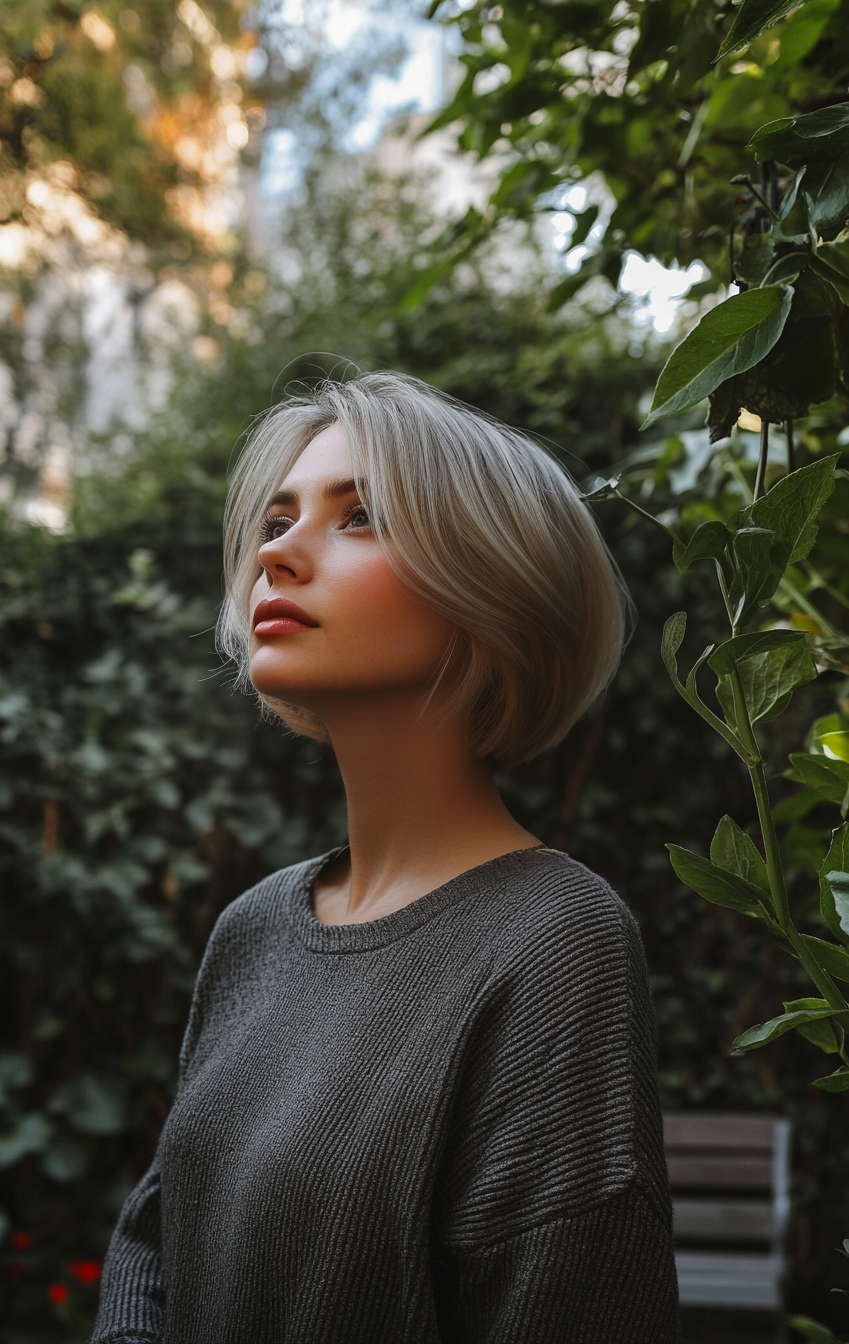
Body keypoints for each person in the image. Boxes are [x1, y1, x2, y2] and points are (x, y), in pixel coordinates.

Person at [91, 371, 680, 1343]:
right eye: (276, 519)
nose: (277, 553)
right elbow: (153, 1246)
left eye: (357, 516)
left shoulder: (554, 943)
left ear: (490, 582)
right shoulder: (253, 928)